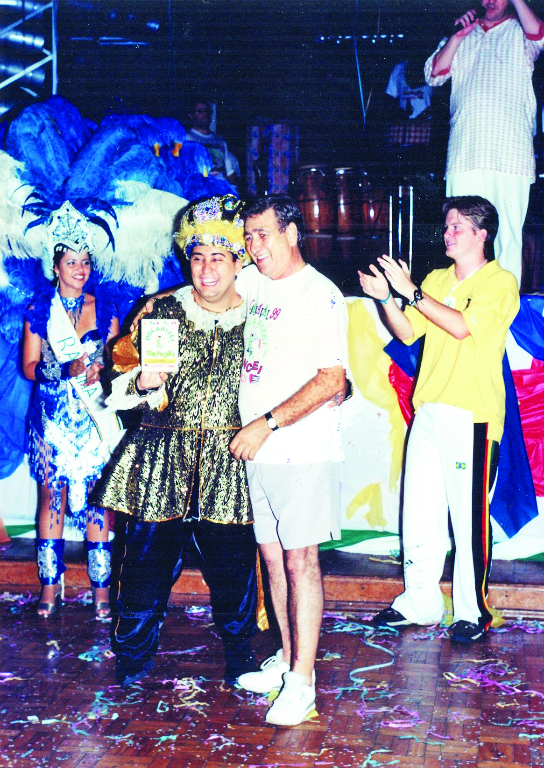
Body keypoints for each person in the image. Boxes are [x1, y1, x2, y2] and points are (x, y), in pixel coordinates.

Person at [91, 195, 264, 687]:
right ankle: (132, 661)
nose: (206, 269)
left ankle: (240, 656)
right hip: (159, 460)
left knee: (234, 572)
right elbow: (118, 377)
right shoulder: (160, 310)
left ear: (238, 261)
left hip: (231, 462)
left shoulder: (260, 315)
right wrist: (142, 383)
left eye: (218, 257)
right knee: (144, 570)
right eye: (197, 256)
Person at [359, 195, 519, 643]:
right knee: (420, 512)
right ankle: (420, 601)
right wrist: (386, 299)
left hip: (472, 416)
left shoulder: (500, 282)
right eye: (446, 226)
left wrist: (411, 291)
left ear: (481, 235)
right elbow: (408, 331)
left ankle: (472, 611)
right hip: (429, 410)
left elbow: (463, 326)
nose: (447, 234)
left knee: (468, 520)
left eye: (457, 228)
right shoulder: (435, 278)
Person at [230, 194, 349, 727]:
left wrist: (267, 423)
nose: (256, 248)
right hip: (261, 453)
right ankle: (285, 659)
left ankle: (303, 681)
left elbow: (332, 380)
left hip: (299, 448)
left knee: (301, 561)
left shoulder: (319, 295)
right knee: (273, 559)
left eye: (264, 235)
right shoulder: (254, 284)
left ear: (292, 233)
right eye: (249, 237)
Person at [23, 201, 120, 619]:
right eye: (71, 262)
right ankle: (50, 588)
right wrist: (65, 367)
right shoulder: (39, 312)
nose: (80, 269)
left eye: (85, 262)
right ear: (56, 266)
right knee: (52, 498)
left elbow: (120, 363)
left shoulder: (109, 308)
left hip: (95, 416)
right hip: (53, 418)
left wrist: (104, 370)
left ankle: (101, 592)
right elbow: (29, 367)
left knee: (101, 501)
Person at [424, 0, 544, 287]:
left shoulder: (520, 32)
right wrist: (458, 36)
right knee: (459, 232)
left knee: (508, 239)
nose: (490, 1)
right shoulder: (461, 33)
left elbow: (540, 35)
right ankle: (459, 305)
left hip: (510, 154)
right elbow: (433, 75)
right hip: (464, 153)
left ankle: (506, 313)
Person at [185, 98, 240, 186]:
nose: (205, 114)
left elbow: (230, 172)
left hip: (221, 191)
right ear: (191, 115)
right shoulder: (186, 139)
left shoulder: (220, 140)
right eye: (200, 111)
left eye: (207, 111)